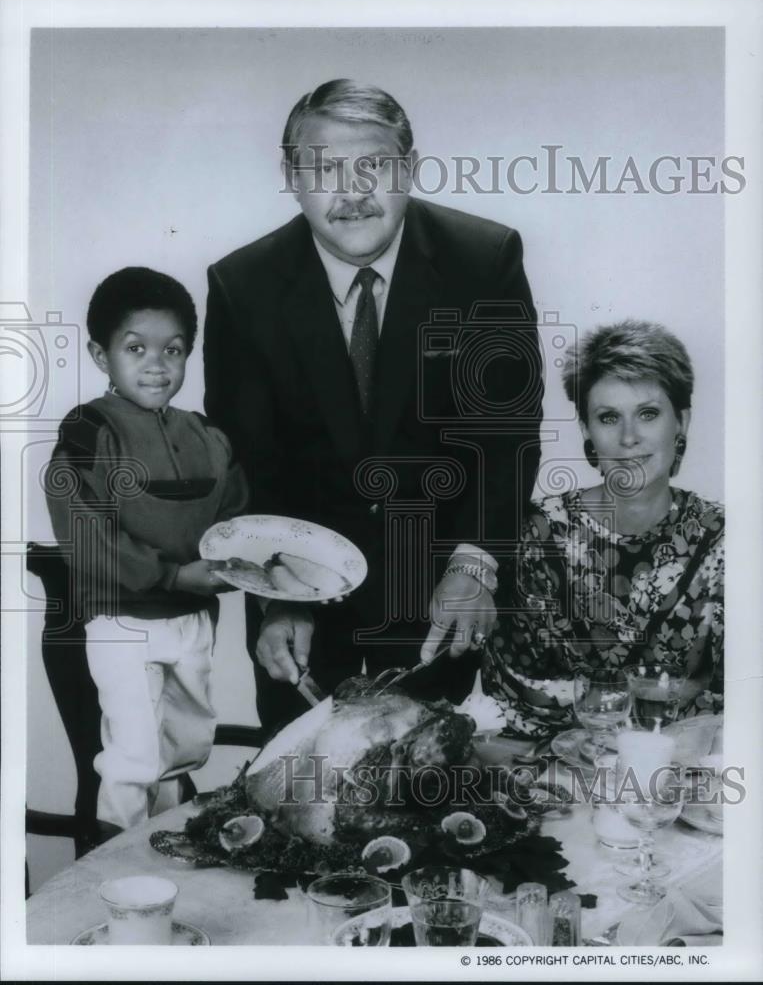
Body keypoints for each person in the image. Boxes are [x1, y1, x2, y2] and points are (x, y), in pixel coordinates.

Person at [204, 79, 543, 735]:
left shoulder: (483, 260)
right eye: (324, 168)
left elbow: (506, 432)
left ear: (408, 169)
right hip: (296, 605)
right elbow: (250, 461)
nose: (351, 191)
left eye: (374, 166)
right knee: (296, 805)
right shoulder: (240, 287)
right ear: (290, 176)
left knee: (431, 799)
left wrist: (475, 562)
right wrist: (279, 596)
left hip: (442, 591)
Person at [45, 267, 249, 831]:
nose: (157, 364)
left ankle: (168, 856)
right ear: (100, 353)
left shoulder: (208, 434)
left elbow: (235, 515)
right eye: (136, 348)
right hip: (123, 620)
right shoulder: (89, 429)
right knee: (134, 756)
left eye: (174, 350)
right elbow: (84, 529)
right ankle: (116, 881)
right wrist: (173, 575)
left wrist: (237, 564)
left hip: (193, 622)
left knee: (186, 745)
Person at [482, 320, 724, 738]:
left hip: (689, 780)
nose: (629, 437)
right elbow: (514, 700)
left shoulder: (725, 537)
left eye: (648, 413)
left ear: (681, 421)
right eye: (609, 417)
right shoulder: (538, 535)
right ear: (586, 432)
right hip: (558, 779)